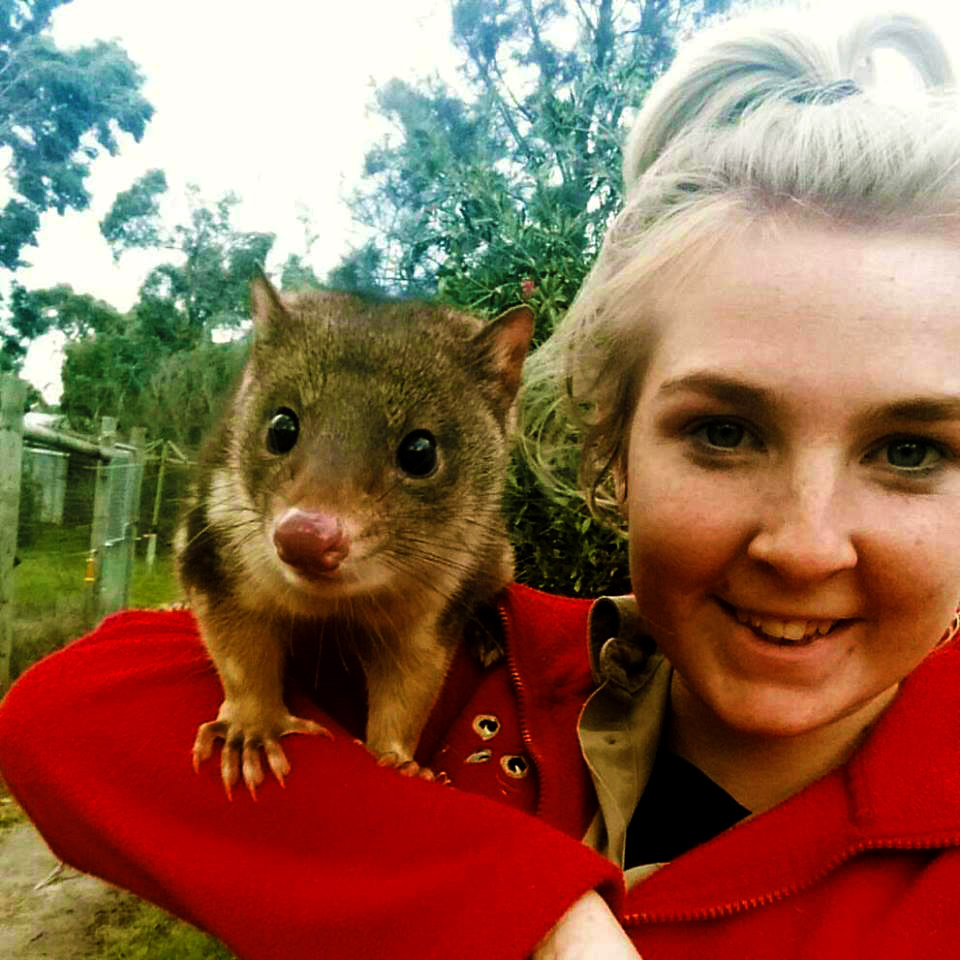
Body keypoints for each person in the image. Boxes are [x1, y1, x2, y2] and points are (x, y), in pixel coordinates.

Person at [3, 7, 960, 958]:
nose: (804, 544)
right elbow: (63, 716)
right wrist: (534, 906)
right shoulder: (509, 668)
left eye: (912, 451)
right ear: (612, 450)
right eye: (723, 432)